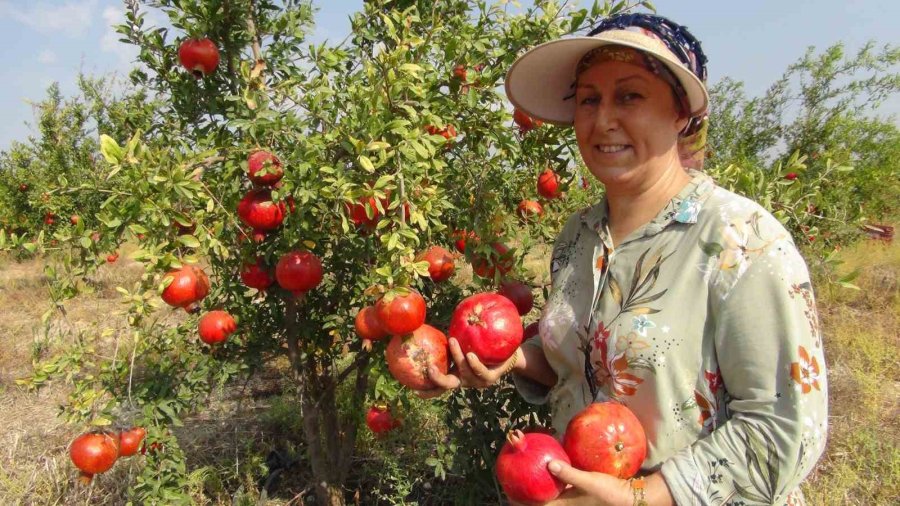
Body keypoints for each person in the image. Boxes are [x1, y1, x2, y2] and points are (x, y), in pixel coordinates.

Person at [419, 12, 829, 506]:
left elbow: (788, 432)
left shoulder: (742, 240)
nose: (603, 118)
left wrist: (645, 495)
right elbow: (583, 368)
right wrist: (507, 361)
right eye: (589, 99)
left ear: (682, 114)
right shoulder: (577, 238)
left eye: (629, 96)